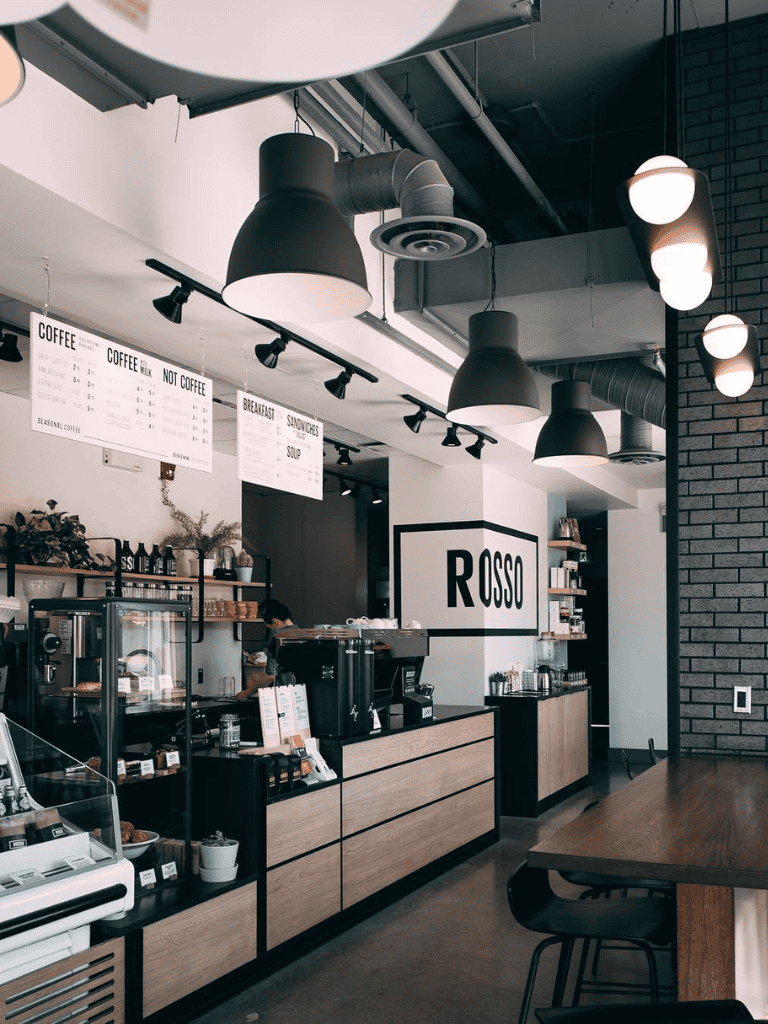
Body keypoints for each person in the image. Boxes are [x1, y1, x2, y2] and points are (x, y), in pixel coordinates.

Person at [235, 599, 295, 701]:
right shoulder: (301, 634)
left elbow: (272, 676)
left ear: (275, 621)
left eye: (269, 627)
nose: (270, 631)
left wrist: (246, 693)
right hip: (299, 695)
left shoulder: (278, 638)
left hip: (281, 698)